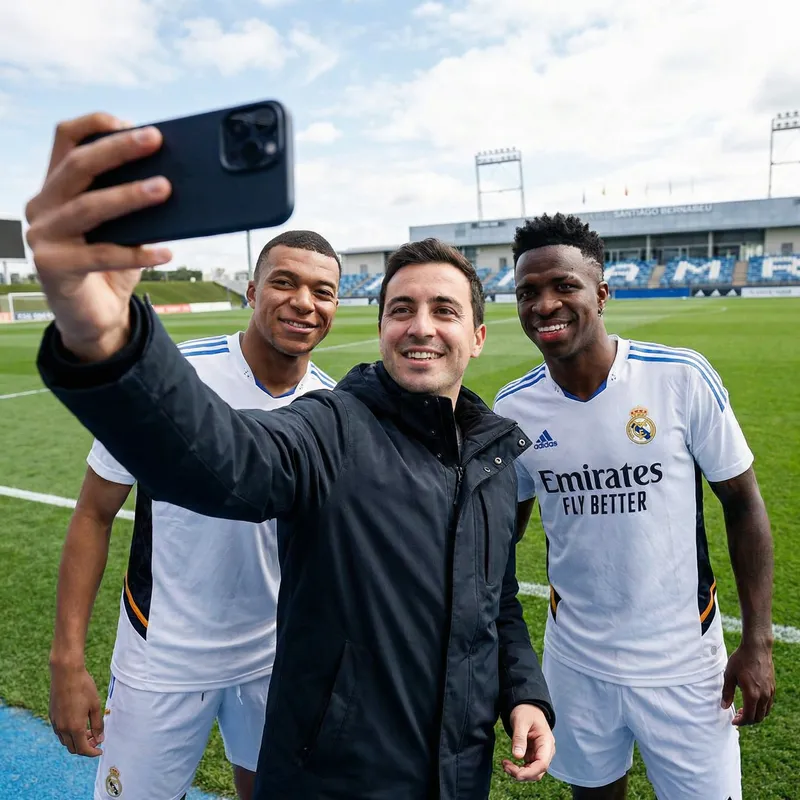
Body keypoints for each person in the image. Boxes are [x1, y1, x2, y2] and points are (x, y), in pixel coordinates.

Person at [27, 114, 555, 800]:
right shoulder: (334, 422)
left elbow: (493, 601)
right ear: (382, 326)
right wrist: (107, 341)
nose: (422, 325)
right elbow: (228, 461)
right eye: (402, 308)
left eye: (444, 310)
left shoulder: (489, 458)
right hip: (187, 667)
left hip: (310, 680)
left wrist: (524, 692)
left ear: (478, 336)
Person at [48, 229, 340, 800]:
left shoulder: (333, 406)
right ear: (252, 293)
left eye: (322, 291)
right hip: (162, 649)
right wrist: (67, 658)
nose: (304, 302)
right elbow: (93, 513)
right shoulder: (175, 381)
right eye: (284, 282)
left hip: (274, 653)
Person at [493, 213, 775, 800]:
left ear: (601, 294)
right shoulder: (513, 409)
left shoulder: (679, 377)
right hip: (577, 662)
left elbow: (743, 504)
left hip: (685, 662)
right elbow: (501, 533)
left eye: (563, 286)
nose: (545, 304)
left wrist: (757, 641)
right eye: (528, 292)